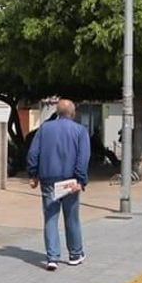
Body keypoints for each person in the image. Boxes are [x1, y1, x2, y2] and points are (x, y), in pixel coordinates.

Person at [26, 99, 90, 271]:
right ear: (72, 113)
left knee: (50, 218)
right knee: (72, 218)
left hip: (48, 179)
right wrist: (80, 180)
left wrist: (33, 175)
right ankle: (75, 254)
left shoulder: (44, 129)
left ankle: (52, 257)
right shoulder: (80, 131)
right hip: (70, 181)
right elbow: (83, 158)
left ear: (58, 112)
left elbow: (33, 153)